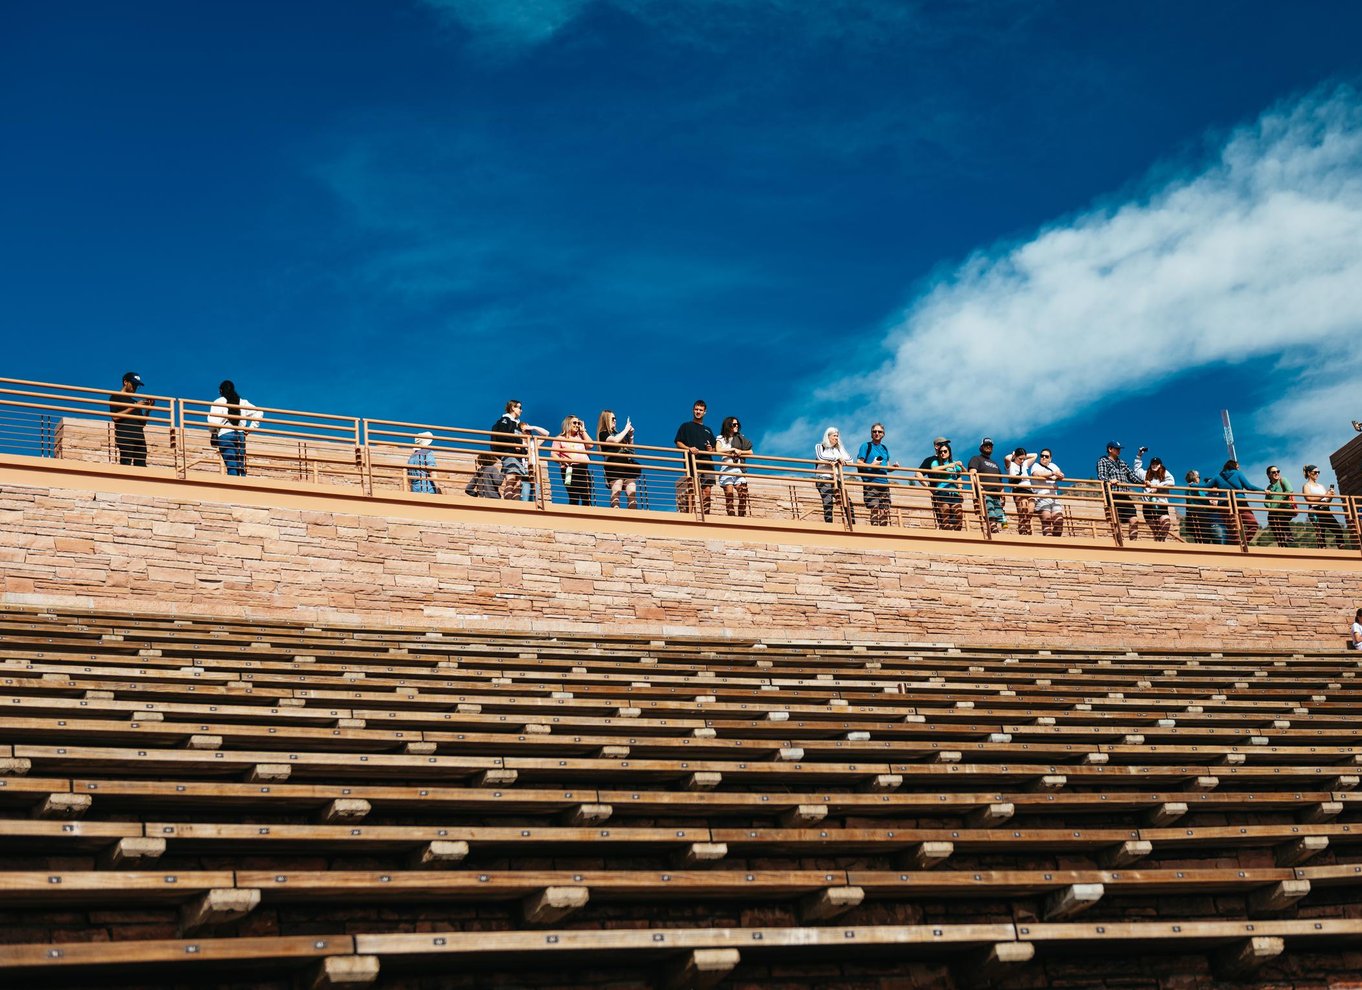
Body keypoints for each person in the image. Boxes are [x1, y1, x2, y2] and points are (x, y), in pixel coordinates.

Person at [490, 400, 548, 501]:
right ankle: (508, 502)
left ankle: (516, 504)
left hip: (518, 457)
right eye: (519, 407)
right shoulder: (506, 420)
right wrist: (518, 443)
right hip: (509, 454)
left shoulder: (517, 424)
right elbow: (503, 435)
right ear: (512, 407)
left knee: (518, 482)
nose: (521, 410)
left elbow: (546, 434)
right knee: (511, 478)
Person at [207, 380, 263, 477]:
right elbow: (259, 412)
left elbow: (213, 422)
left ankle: (234, 483)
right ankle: (242, 484)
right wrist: (250, 429)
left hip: (225, 434)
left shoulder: (219, 401)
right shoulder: (243, 402)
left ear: (221, 391)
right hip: (240, 435)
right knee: (240, 465)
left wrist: (213, 431)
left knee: (231, 465)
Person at [674, 399, 716, 514]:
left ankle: (706, 516)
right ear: (693, 410)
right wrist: (689, 448)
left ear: (705, 412)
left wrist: (709, 449)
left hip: (707, 463)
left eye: (701, 410)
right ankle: (690, 516)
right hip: (691, 463)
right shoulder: (686, 426)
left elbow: (714, 449)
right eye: (696, 409)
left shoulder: (708, 430)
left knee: (707, 490)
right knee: (692, 489)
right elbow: (678, 442)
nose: (698, 411)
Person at [1096, 441, 1142, 540]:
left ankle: (1133, 542)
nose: (1119, 450)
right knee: (1116, 521)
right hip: (1112, 495)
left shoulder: (1122, 463)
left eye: (1119, 449)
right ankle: (1119, 541)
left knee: (1134, 519)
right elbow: (1101, 476)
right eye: (1117, 449)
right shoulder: (1103, 461)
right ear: (1110, 449)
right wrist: (1109, 481)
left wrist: (1143, 482)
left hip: (1124, 495)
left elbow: (1132, 476)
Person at [597, 410, 641, 510]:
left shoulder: (619, 434)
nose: (615, 420)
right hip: (614, 465)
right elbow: (615, 441)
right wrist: (626, 429)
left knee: (632, 493)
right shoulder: (603, 433)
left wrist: (631, 436)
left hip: (627, 464)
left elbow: (631, 450)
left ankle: (633, 518)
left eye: (615, 418)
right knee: (616, 491)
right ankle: (616, 516)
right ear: (606, 419)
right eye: (612, 418)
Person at [109, 371, 154, 467]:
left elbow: (142, 424)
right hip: (125, 437)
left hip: (139, 438)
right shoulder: (115, 397)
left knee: (141, 465)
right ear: (125, 382)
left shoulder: (135, 402)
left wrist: (148, 410)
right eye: (133, 384)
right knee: (126, 463)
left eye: (137, 385)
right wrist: (134, 406)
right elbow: (115, 417)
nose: (135, 387)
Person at [855, 423, 897, 526]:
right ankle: (874, 532)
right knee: (874, 508)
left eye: (879, 432)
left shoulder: (884, 448)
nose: (877, 433)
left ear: (883, 434)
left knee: (885, 511)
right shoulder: (866, 446)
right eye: (874, 431)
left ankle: (883, 533)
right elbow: (859, 463)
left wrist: (893, 468)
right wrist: (872, 464)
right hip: (871, 482)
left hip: (884, 483)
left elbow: (886, 466)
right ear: (871, 434)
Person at [919, 437, 965, 530]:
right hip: (940, 492)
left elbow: (961, 474)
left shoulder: (953, 462)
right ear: (937, 447)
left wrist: (960, 489)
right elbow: (918, 473)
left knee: (958, 515)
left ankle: (957, 536)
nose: (943, 452)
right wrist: (929, 488)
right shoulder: (932, 460)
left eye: (946, 448)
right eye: (942, 445)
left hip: (953, 492)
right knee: (945, 514)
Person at [1215, 459, 1263, 543]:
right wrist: (1264, 491)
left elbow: (1206, 486)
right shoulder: (1238, 473)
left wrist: (1193, 484)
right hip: (1240, 502)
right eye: (1238, 466)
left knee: (1233, 531)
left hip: (1224, 505)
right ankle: (1242, 543)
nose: (1239, 468)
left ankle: (1235, 548)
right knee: (1253, 524)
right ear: (1234, 466)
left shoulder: (1218, 477)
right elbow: (1249, 487)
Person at [814, 427, 855, 524]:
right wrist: (837, 458)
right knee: (828, 502)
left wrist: (840, 448)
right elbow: (821, 457)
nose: (836, 438)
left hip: (837, 480)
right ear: (828, 436)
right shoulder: (820, 446)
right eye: (834, 436)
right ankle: (829, 525)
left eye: (837, 436)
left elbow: (850, 460)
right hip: (824, 478)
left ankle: (852, 525)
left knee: (847, 502)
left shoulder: (838, 449)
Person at [552, 416, 594, 507]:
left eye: (578, 423)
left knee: (587, 497)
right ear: (568, 424)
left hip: (583, 469)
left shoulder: (581, 437)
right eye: (574, 423)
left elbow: (590, 445)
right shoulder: (559, 438)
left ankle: (586, 520)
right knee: (573, 496)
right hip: (568, 470)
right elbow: (553, 454)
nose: (577, 425)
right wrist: (562, 461)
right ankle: (573, 519)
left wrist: (583, 430)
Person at [715, 416, 753, 517]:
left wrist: (740, 451)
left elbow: (750, 452)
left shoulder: (740, 438)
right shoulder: (721, 438)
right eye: (734, 424)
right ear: (728, 425)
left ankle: (741, 518)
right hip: (727, 470)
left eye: (737, 424)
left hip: (739, 470)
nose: (737, 426)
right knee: (729, 497)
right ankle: (732, 519)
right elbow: (718, 450)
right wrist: (732, 450)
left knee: (743, 494)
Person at [1302, 465, 1347, 548]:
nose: (1317, 474)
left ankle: (1340, 546)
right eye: (1315, 472)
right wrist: (1324, 495)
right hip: (1315, 510)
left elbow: (1326, 501)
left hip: (1325, 509)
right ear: (1309, 473)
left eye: (1318, 472)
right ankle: (1323, 549)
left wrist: (1330, 496)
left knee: (1338, 529)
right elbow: (1309, 498)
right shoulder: (1307, 486)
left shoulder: (1321, 486)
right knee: (1321, 532)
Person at [967, 438, 1006, 533]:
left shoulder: (995, 464)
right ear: (981, 447)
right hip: (984, 492)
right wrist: (979, 487)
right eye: (986, 445)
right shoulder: (976, 459)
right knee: (989, 510)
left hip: (996, 494)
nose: (988, 447)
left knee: (999, 514)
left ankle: (996, 530)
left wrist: (1003, 493)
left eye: (990, 445)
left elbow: (1000, 480)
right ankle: (993, 528)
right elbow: (973, 473)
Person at [1184, 469, 1228, 545]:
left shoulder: (1190, 488)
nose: (1199, 479)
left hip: (1197, 514)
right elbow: (1202, 499)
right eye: (1198, 477)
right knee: (1204, 537)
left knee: (1203, 537)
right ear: (1195, 477)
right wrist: (1210, 502)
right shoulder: (1193, 487)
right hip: (1200, 514)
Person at [1029, 448, 1066, 537]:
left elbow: (1061, 475)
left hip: (1054, 498)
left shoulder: (1053, 465)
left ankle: (1056, 544)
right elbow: (1037, 474)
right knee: (1047, 521)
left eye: (1046, 456)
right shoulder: (1036, 465)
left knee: (1059, 521)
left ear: (1050, 458)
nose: (1044, 458)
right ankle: (1049, 544)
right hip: (1041, 497)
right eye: (1042, 456)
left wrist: (1058, 476)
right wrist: (1052, 474)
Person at [1004, 448, 1038, 535]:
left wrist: (1024, 456)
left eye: (1024, 459)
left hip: (1028, 489)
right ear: (1015, 456)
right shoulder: (1010, 465)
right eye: (1020, 459)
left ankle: (1026, 527)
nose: (1022, 461)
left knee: (1030, 509)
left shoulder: (1024, 464)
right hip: (1018, 489)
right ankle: (1023, 530)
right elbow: (1007, 458)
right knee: (1023, 509)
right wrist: (1013, 455)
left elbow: (1035, 455)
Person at [1141, 456, 1175, 541]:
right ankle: (1158, 542)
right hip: (1148, 504)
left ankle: (1161, 541)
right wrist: (1139, 456)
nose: (1154, 465)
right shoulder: (1146, 473)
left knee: (1166, 522)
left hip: (1161, 503)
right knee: (1156, 530)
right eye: (1153, 464)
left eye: (1156, 464)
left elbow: (1172, 482)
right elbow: (1137, 470)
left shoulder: (1165, 472)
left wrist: (1157, 487)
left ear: (1160, 465)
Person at [1263, 465, 1297, 548]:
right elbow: (1266, 501)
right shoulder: (1269, 487)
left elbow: (1289, 490)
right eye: (1274, 472)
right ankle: (1282, 545)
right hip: (1274, 512)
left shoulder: (1283, 480)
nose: (1276, 473)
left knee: (1278, 517)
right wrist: (1269, 506)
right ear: (1268, 475)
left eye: (1278, 471)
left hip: (1285, 509)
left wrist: (1278, 502)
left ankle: (1288, 535)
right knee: (1273, 521)